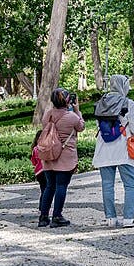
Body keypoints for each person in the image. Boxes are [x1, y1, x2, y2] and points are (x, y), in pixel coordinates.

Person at [92, 75, 134, 228]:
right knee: (130, 184)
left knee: (107, 184)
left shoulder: (101, 103)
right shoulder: (128, 103)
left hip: (104, 150)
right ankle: (129, 217)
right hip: (124, 149)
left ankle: (110, 218)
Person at [39, 88, 85, 228]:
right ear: (67, 101)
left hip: (49, 155)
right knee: (61, 186)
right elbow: (81, 126)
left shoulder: (48, 115)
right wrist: (77, 110)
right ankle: (57, 216)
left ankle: (43, 216)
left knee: (49, 186)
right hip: (65, 158)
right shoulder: (72, 117)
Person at [31, 130, 46, 201]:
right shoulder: (46, 148)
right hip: (46, 170)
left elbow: (33, 162)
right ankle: (44, 206)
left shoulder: (35, 149)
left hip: (38, 173)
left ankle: (41, 205)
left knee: (43, 189)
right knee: (48, 189)